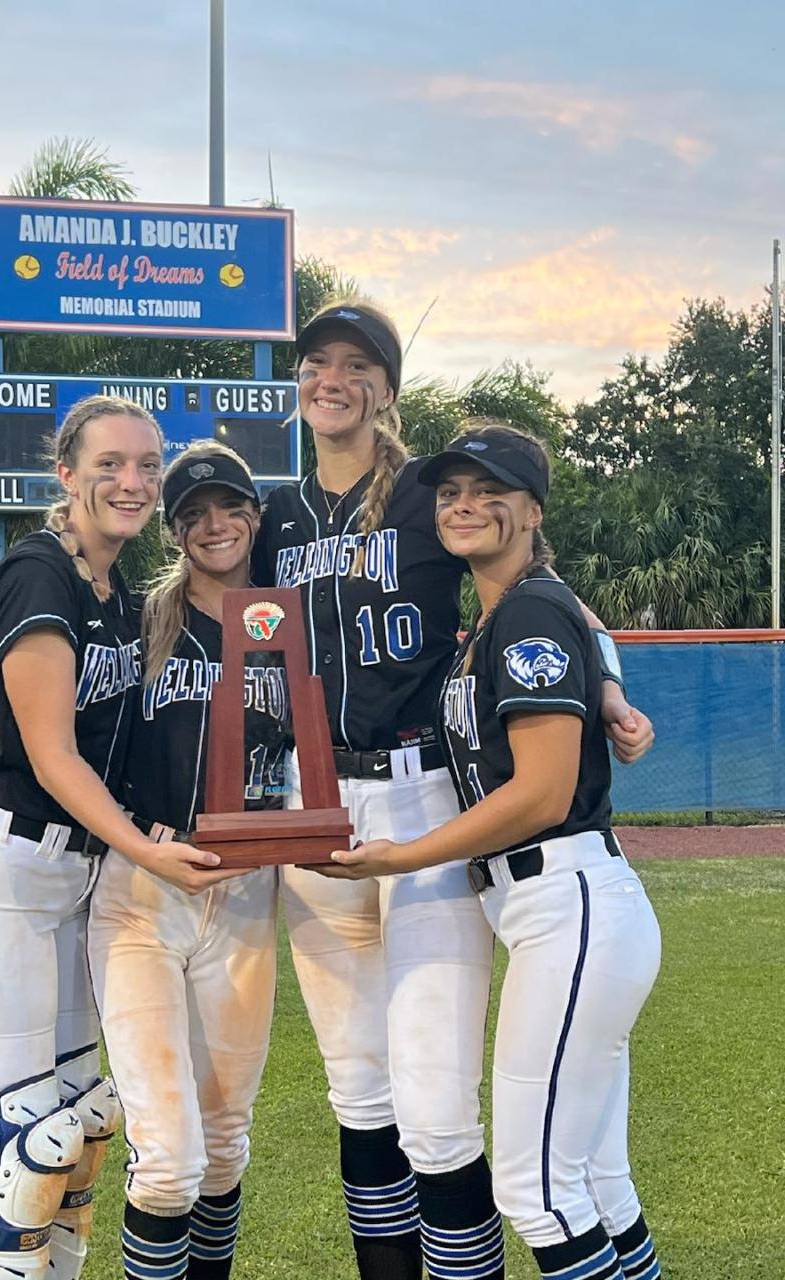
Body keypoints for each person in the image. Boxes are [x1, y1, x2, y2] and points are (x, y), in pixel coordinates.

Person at [251, 298, 655, 1280]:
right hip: (319, 803)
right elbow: (229, 632)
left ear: (387, 387)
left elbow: (540, 582)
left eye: (355, 364)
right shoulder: (275, 516)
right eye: (315, 363)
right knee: (359, 1086)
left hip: (428, 792)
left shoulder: (432, 487)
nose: (330, 378)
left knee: (433, 1100)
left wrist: (602, 677)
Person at [0, 397, 240, 1280]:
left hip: (76, 877)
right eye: (109, 463)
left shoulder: (114, 596)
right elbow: (56, 759)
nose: (132, 481)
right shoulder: (40, 572)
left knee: (77, 1128)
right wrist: (146, 853)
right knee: (24, 1140)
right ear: (65, 474)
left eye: (147, 465)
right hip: (6, 868)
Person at [86, 441, 287, 1280]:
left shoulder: (291, 619)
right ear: (173, 529)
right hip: (144, 884)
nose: (214, 524)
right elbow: (40, 677)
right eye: (194, 512)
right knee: (168, 1163)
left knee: (225, 1145)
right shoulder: (139, 617)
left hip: (246, 894)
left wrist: (601, 675)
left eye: (229, 506)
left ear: (255, 514)